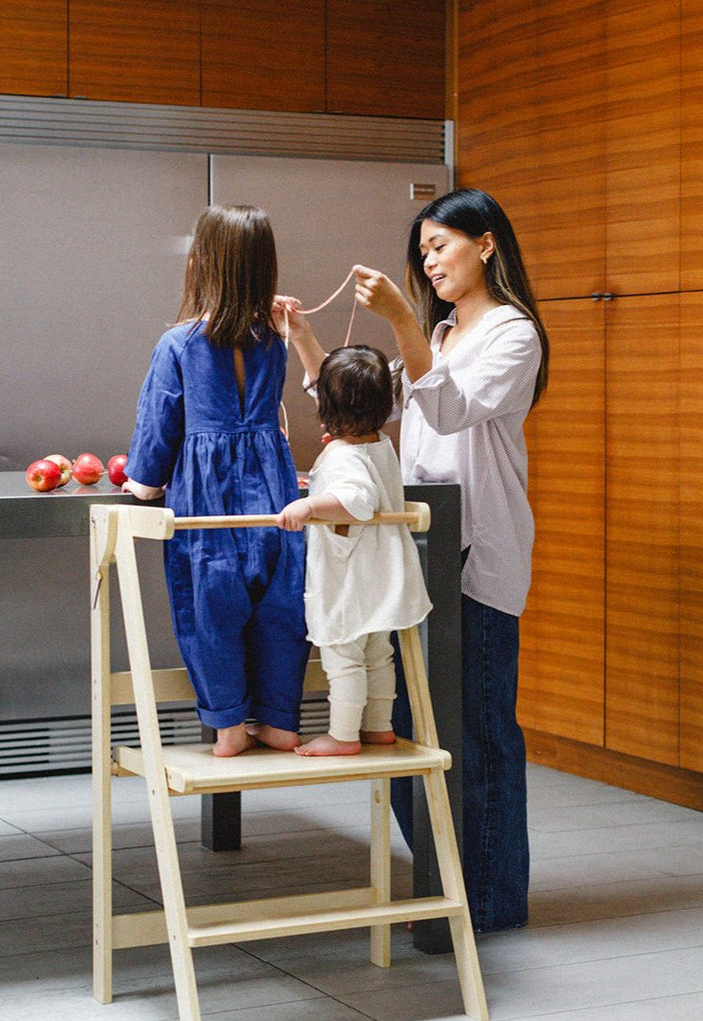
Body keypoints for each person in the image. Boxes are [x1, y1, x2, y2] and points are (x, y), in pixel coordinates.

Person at [281, 187, 549, 931]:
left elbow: (452, 408)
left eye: (440, 246)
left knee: (481, 735)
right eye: (423, 251)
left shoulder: (513, 334)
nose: (429, 262)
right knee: (409, 735)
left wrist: (400, 319)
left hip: (478, 554)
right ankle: (448, 884)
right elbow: (362, 409)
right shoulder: (439, 334)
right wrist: (306, 339)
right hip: (422, 555)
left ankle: (489, 904)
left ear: (486, 244)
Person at [123, 204, 310, 758]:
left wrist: (143, 483)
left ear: (202, 264)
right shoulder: (273, 342)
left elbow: (160, 423)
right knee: (281, 603)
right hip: (273, 489)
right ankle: (279, 721)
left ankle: (228, 726)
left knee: (210, 602)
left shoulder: (178, 344)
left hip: (207, 499)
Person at [277, 345, 432, 756]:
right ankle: (378, 726)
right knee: (378, 654)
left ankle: (343, 734)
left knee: (343, 655)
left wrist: (309, 505)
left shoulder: (344, 456)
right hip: (382, 572)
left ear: (326, 408)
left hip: (350, 577)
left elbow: (357, 500)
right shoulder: (380, 443)